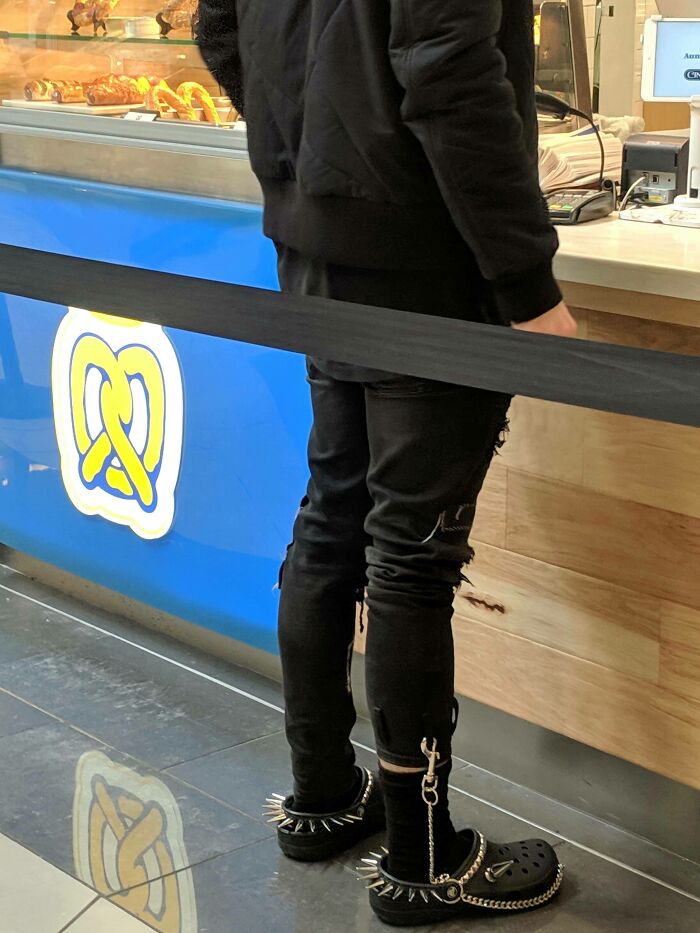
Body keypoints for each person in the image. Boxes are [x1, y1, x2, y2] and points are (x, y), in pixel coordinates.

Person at [196, 0, 577, 925]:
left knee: (334, 512)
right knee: (410, 553)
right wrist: (529, 286)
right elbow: (448, 69)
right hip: (425, 257)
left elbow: (220, 28)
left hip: (316, 242)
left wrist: (314, 150)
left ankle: (323, 794)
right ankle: (424, 858)